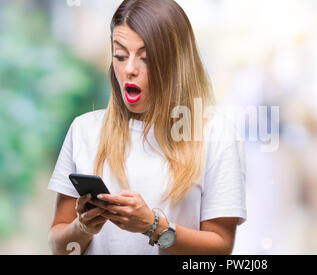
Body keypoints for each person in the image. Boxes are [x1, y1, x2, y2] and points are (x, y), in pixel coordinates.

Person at [47, 0, 246, 255]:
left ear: (177, 63)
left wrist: (154, 226)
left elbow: (220, 249)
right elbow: (59, 247)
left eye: (146, 58)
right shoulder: (84, 130)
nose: (129, 69)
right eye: (119, 56)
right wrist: (83, 228)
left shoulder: (217, 133)